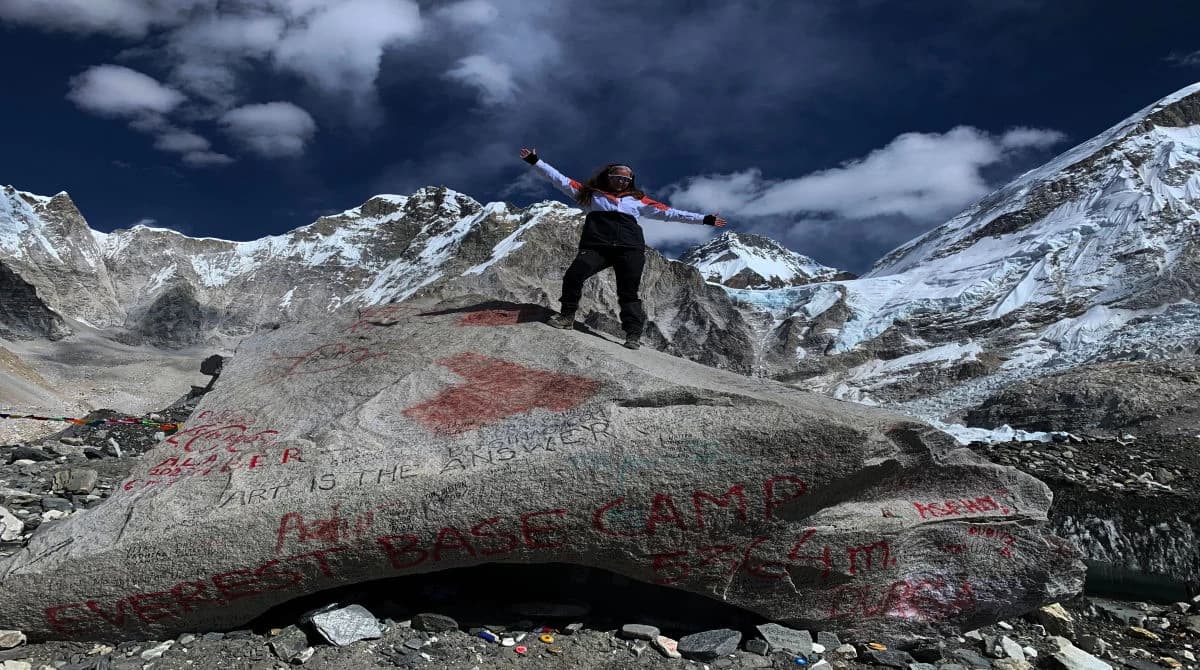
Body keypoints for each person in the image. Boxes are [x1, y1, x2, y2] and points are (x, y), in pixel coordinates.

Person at [519, 147, 727, 349]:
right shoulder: (590, 195)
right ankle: (567, 316)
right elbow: (559, 179)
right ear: (608, 176)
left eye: (626, 179)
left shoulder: (638, 201)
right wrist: (535, 162)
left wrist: (705, 219)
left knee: (628, 293)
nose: (622, 181)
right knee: (574, 275)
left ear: (631, 181)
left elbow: (670, 213)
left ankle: (633, 335)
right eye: (618, 177)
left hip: (630, 249)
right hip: (597, 246)